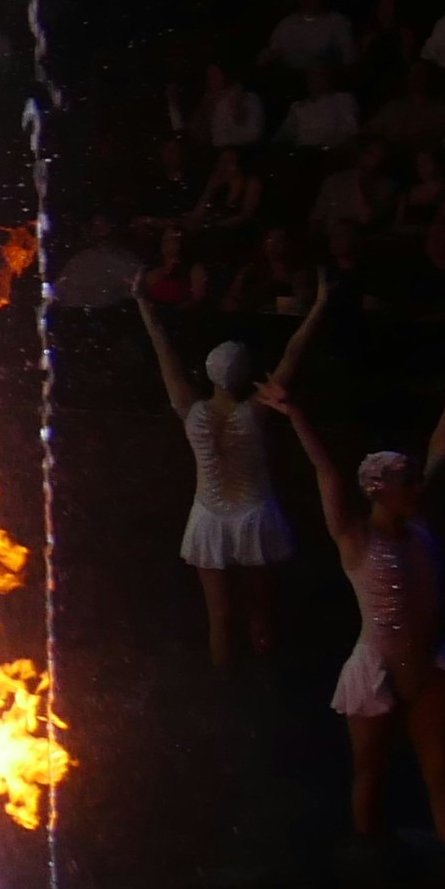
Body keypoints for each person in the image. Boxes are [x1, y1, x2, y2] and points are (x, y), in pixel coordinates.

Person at [265, 357, 445, 857]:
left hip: (427, 667)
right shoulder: (356, 538)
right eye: (407, 480)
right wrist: (294, 414)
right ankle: (369, 863)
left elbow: (441, 451)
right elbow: (326, 474)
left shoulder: (419, 525)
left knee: (443, 774)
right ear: (378, 489)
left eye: (414, 478)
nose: (418, 486)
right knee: (372, 774)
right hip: (377, 667)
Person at [144, 278, 323, 666]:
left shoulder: (190, 409)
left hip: (210, 513)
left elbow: (164, 352)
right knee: (261, 612)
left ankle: (226, 688)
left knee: (220, 616)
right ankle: (261, 688)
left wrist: (144, 302)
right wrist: (319, 305)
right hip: (254, 512)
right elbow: (293, 354)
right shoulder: (256, 410)